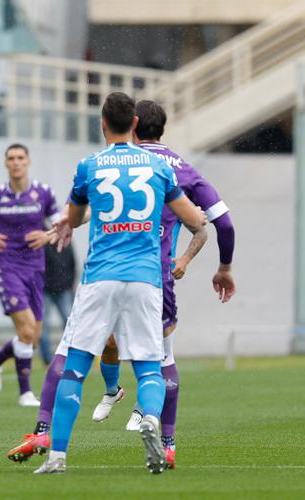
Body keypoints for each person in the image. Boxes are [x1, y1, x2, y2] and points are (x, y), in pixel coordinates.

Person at [33, 92, 206, 474]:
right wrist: (195, 225)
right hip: (146, 278)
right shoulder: (158, 167)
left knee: (76, 367)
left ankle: (58, 457)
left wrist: (69, 220)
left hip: (101, 277)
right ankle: (150, 420)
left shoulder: (89, 165)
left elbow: (74, 217)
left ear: (102, 124)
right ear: (135, 124)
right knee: (149, 368)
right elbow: (194, 220)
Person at [90, 100, 236, 469]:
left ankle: (60, 431)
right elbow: (224, 223)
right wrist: (223, 267)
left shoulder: (115, 163)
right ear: (164, 129)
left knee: (99, 344)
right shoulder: (180, 169)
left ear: (133, 123)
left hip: (110, 272)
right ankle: (165, 440)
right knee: (161, 355)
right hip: (156, 279)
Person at [0, 144, 59, 407]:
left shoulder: (43, 193)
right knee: (27, 329)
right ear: (6, 163)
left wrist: (47, 235)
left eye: (20, 157)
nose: (16, 162)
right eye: (11, 158)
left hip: (36, 268)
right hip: (8, 267)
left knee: (32, 337)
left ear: (28, 161)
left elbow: (60, 226)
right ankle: (25, 393)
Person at [39, 243, 76, 365]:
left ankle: (71, 355)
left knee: (69, 322)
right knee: (43, 324)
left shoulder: (66, 240)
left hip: (63, 289)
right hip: (45, 290)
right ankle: (47, 360)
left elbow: (72, 263)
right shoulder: (42, 241)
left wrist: (70, 285)